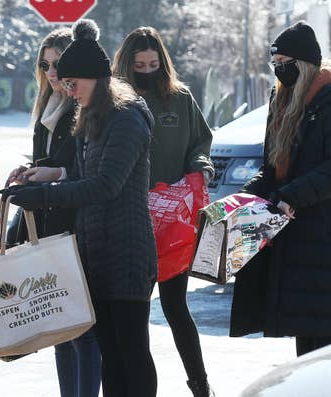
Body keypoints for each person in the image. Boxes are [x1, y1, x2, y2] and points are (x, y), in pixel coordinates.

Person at [4, 19, 158, 397]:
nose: (68, 91)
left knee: (131, 353)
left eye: (74, 84)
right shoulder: (91, 117)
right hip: (96, 254)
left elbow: (106, 185)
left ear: (95, 78)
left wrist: (46, 196)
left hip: (127, 255)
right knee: (110, 354)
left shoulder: (127, 120)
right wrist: (42, 184)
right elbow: (80, 174)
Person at [229, 21, 331, 357]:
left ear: (303, 64)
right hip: (295, 236)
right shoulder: (283, 100)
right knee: (305, 338)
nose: (278, 71)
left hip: (324, 236)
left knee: (323, 345)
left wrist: (292, 195)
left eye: (285, 63)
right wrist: (245, 197)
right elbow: (273, 168)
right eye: (275, 64)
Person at [112, 27, 215, 397]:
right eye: (139, 65)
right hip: (129, 221)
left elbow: (200, 141)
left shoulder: (180, 98)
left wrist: (201, 166)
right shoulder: (115, 102)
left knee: (175, 306)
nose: (147, 70)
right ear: (127, 65)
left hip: (173, 222)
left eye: (153, 64)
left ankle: (200, 385)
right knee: (133, 315)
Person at [5, 28, 102, 397]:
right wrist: (27, 171)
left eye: (57, 64)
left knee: (81, 327)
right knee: (59, 326)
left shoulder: (84, 107)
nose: (50, 72)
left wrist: (54, 173)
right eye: (44, 64)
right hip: (48, 223)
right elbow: (50, 161)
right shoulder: (47, 107)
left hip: (76, 225)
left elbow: (89, 167)